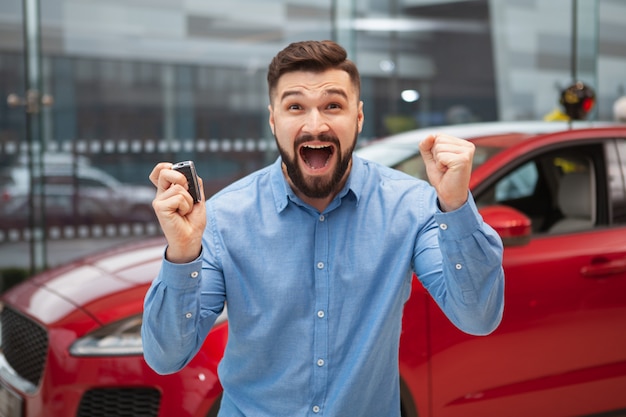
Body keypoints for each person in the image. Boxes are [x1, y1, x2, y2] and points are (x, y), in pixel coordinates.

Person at [142, 40, 505, 417]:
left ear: (358, 118)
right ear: (273, 120)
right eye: (295, 107)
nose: (315, 125)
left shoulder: (410, 206)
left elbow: (477, 317)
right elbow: (167, 357)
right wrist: (183, 254)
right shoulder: (223, 217)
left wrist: (456, 206)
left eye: (333, 105)